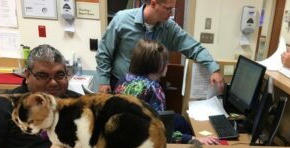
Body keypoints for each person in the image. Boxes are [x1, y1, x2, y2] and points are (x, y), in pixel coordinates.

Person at [96, 0, 224, 93]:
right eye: (168, 9)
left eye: (172, 9)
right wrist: (103, 81)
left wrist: (214, 69)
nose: (171, 13)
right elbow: (104, 52)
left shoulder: (169, 28)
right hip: (121, 86)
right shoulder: (121, 20)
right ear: (153, 4)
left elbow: (194, 47)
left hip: (150, 91)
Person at [114, 39, 220, 145]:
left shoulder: (125, 78)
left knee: (179, 120)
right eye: (165, 61)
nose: (168, 64)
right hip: (140, 141)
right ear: (156, 64)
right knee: (184, 129)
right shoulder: (154, 89)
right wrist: (192, 139)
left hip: (119, 134)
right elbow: (161, 132)